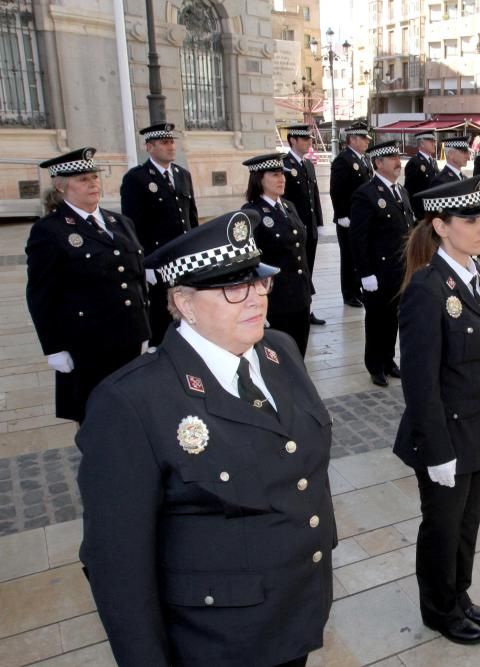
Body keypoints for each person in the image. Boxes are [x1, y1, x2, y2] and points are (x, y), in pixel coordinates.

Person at [77, 211, 337, 666]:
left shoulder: (280, 350)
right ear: (184, 302)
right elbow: (118, 567)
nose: (255, 297)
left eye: (260, 282)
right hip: (217, 640)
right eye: (233, 288)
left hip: (297, 608)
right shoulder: (133, 402)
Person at [394, 176, 480, 645]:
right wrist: (437, 451)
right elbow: (420, 384)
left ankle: (458, 593)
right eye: (471, 219)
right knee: (441, 526)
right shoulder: (428, 288)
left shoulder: (474, 275)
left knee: (466, 522)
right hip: (445, 435)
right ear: (440, 225)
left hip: (478, 428)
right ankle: (439, 609)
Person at [26, 147, 150, 423]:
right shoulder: (50, 230)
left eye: (94, 177)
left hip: (130, 337)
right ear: (61, 186)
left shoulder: (120, 222)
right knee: (97, 416)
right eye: (83, 179)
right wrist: (54, 347)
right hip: (89, 344)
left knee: (134, 411)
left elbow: (136, 281)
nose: (93, 183)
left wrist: (145, 330)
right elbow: (41, 294)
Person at [120, 122, 198, 345]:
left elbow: (191, 218)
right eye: (164, 142)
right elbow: (133, 226)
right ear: (150, 147)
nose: (171, 146)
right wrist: (146, 264)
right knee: (162, 316)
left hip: (183, 260)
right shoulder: (137, 179)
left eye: (172, 141)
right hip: (158, 260)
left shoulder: (182, 175)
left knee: (187, 311)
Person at [351, 140, 416, 386]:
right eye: (391, 158)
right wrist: (365, 273)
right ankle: (375, 365)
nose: (398, 162)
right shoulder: (366, 194)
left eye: (398, 157)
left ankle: (389, 360)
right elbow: (358, 238)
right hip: (378, 272)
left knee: (393, 319)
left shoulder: (401, 192)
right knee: (376, 319)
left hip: (401, 270)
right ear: (378, 163)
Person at [241, 153, 313, 357]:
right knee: (278, 357)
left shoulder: (289, 206)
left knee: (298, 352)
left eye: (282, 174)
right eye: (274, 174)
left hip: (299, 294)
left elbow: (299, 252)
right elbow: (250, 262)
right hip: (276, 299)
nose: (281, 179)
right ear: (259, 179)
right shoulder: (251, 213)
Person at [282, 124, 326, 326]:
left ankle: (307, 308)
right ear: (293, 140)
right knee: (297, 269)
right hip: (294, 229)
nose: (309, 142)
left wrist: (318, 222)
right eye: (305, 139)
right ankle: (299, 309)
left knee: (308, 269)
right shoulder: (284, 165)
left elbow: (314, 195)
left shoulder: (307, 165)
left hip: (309, 227)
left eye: (310, 139)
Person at [330, 121, 373, 308]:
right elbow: (336, 190)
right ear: (353, 139)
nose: (367, 142)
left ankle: (357, 289)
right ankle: (349, 293)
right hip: (348, 218)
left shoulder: (364, 159)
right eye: (363, 138)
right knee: (348, 257)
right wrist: (341, 215)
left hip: (360, 218)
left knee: (359, 254)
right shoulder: (343, 159)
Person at [404, 131, 439, 219]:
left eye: (434, 142)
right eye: (431, 142)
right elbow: (409, 190)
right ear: (422, 144)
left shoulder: (433, 161)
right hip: (421, 211)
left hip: (433, 208)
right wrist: (413, 213)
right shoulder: (414, 163)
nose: (434, 144)